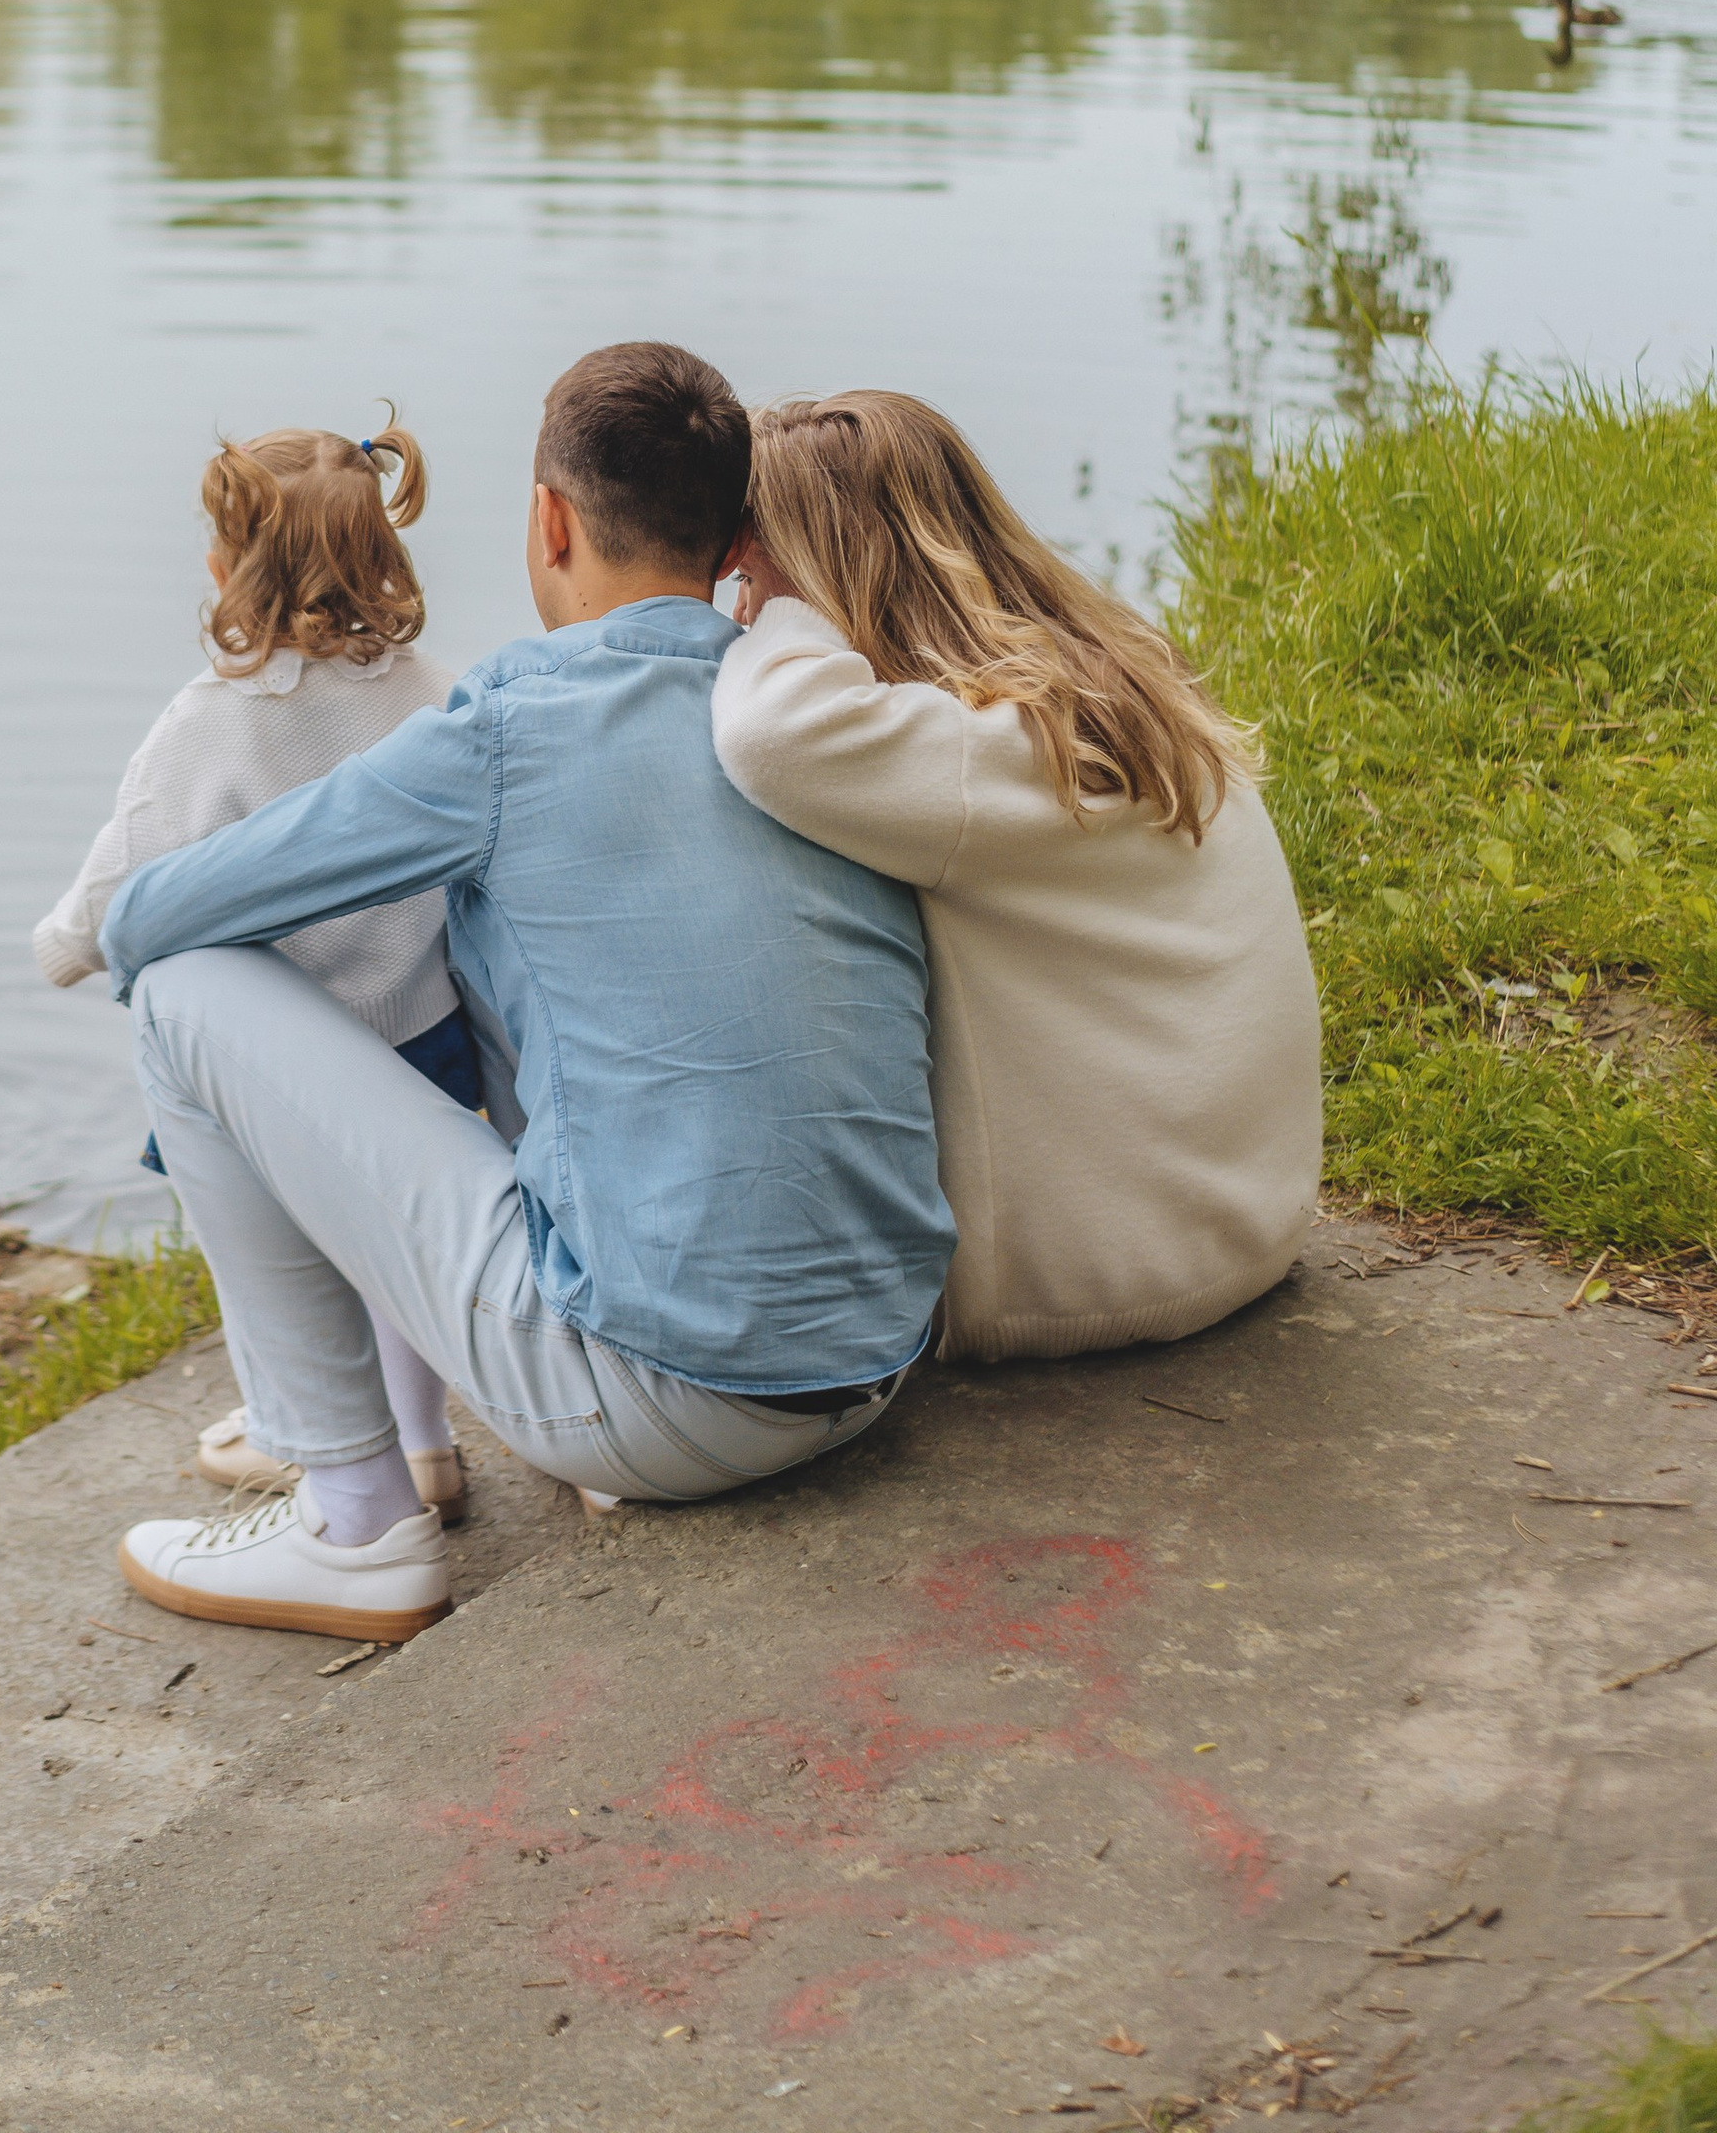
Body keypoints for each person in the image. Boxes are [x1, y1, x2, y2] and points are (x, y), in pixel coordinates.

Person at [94, 344, 953, 1645]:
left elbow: (150, 920)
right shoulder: (803, 701)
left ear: (549, 522)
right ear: (730, 534)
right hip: (877, 1362)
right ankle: (416, 1442)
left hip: (667, 1407)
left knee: (183, 995)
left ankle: (353, 1517)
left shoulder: (505, 729)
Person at [710, 391, 1321, 1364]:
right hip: (1245, 1219)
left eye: (745, 569)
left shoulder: (976, 752)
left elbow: (764, 735)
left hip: (1100, 1275)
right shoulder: (1101, 690)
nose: (737, 604)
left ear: (823, 564)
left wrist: (782, 612)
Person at [32, 421, 478, 1516]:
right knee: (399, 1251)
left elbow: (120, 883)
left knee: (275, 1253)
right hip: (425, 1034)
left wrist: (57, 950)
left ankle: (313, 1432)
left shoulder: (212, 725)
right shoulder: (432, 690)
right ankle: (424, 1445)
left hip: (277, 1065)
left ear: (228, 568)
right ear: (384, 556)